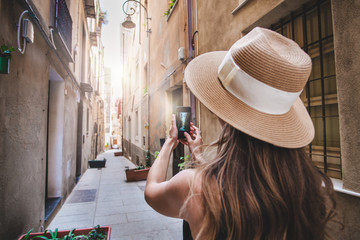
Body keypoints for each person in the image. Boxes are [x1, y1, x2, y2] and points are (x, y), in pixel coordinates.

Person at [144, 27, 336, 240]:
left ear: (224, 115)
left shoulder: (193, 187)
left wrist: (170, 141)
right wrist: (198, 155)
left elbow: (151, 191)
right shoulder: (304, 188)